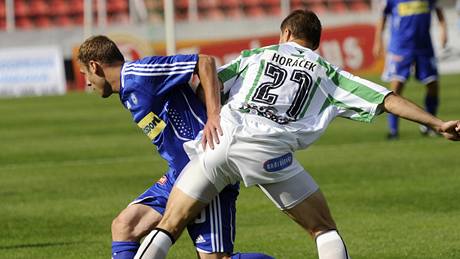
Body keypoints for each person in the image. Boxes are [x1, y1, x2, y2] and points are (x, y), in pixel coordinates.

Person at [133, 9, 460, 259]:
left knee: (169, 225)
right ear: (315, 43)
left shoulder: (256, 56)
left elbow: (209, 83)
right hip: (269, 153)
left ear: (286, 33)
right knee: (322, 229)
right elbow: (387, 99)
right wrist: (436, 123)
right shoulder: (329, 72)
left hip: (218, 143)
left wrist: (211, 114)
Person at [77, 35, 274, 259]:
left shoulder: (140, 73)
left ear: (94, 65)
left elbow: (205, 62)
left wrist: (213, 115)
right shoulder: (127, 90)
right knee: (124, 226)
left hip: (208, 169)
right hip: (178, 175)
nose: (88, 82)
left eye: (85, 74)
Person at [373, 0, 448, 139]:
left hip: (424, 48)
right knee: (396, 88)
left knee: (433, 85)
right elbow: (382, 17)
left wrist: (443, 30)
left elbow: (439, 11)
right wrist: (378, 41)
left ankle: (428, 127)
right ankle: (393, 131)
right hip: (400, 48)